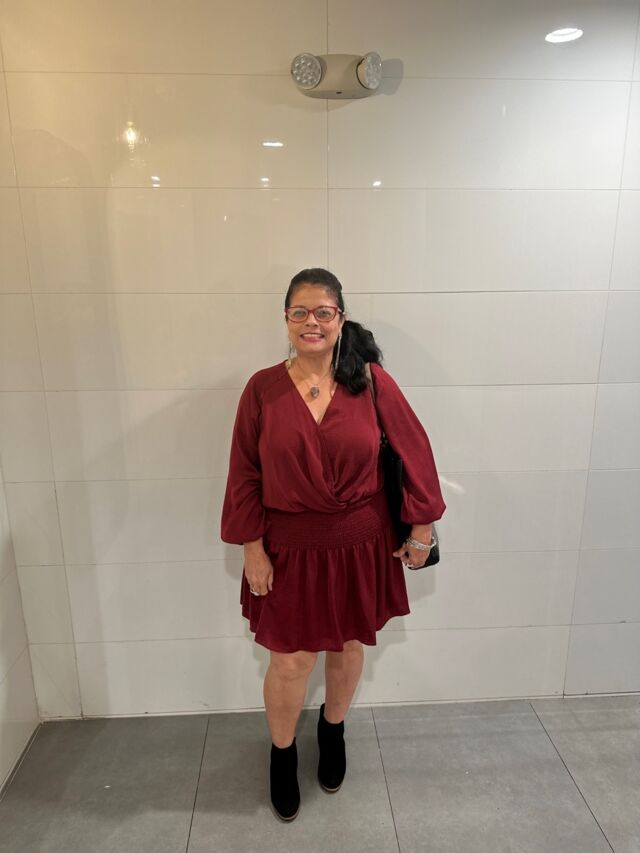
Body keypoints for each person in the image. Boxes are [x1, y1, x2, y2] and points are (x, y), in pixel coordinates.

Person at [220, 267, 446, 822]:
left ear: (340, 319)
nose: (312, 322)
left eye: (323, 312)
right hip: (289, 548)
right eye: (300, 312)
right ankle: (281, 755)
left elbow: (415, 450)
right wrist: (252, 547)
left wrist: (421, 528)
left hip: (359, 543)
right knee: (290, 661)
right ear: (286, 319)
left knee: (347, 648)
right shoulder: (262, 389)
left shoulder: (369, 381)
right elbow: (244, 474)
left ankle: (333, 731)